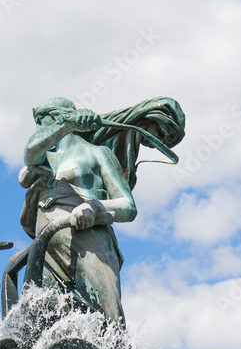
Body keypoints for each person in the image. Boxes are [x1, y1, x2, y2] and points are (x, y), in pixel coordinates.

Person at [18, 97, 185, 321]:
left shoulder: (97, 153)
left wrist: (94, 208)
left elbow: (128, 206)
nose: (40, 131)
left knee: (108, 322)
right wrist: (67, 125)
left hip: (89, 244)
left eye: (42, 122)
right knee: (41, 324)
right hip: (48, 248)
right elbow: (30, 152)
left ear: (56, 118)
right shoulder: (43, 160)